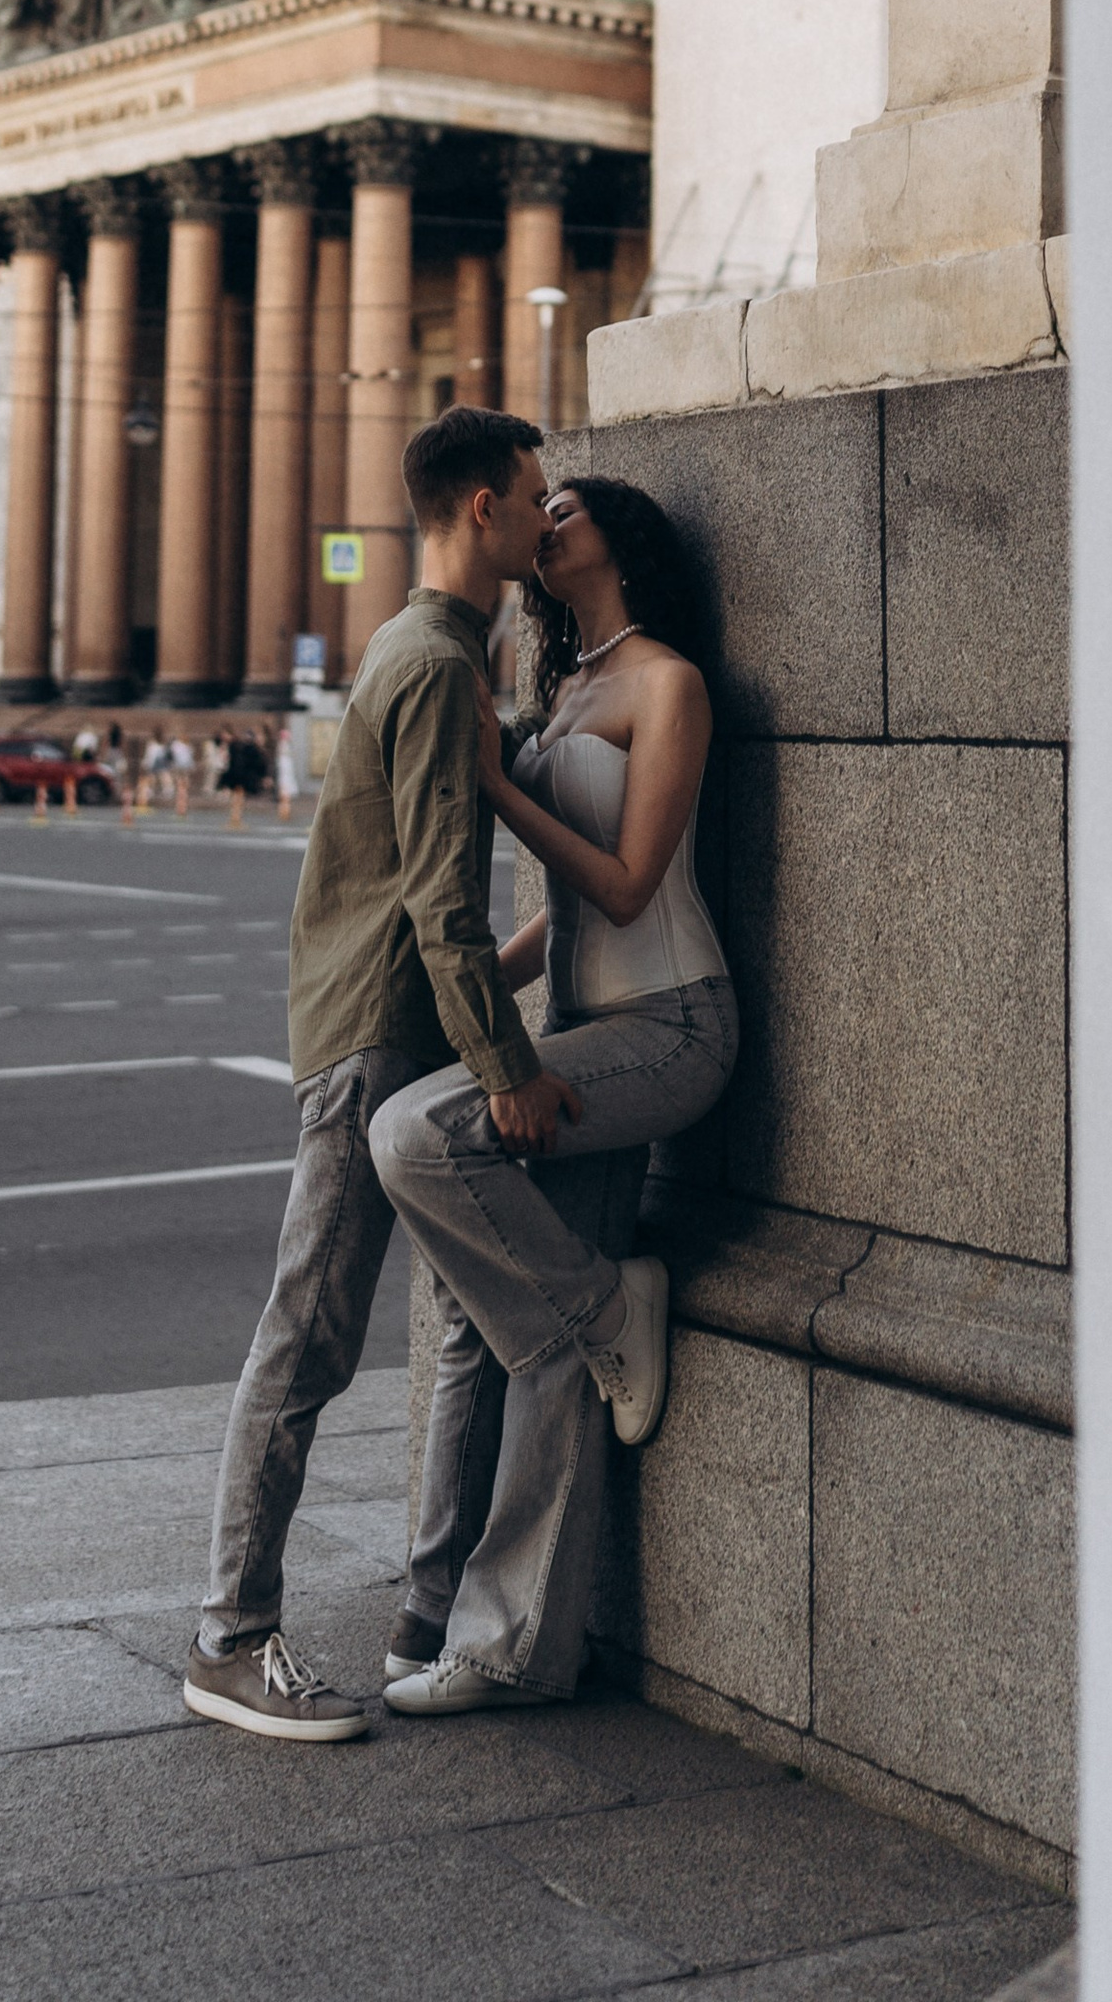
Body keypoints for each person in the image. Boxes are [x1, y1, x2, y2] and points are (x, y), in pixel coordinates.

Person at [184, 405, 552, 1744]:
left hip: (384, 1022)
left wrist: (525, 961)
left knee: (460, 1324)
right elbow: (439, 902)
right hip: (375, 1043)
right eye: (530, 496)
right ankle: (230, 1640)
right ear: (477, 513)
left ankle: (426, 1609)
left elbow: (426, 907)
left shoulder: (419, 645)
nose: (541, 516)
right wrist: (504, 1065)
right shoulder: (439, 666)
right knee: (309, 1337)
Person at [372, 476, 736, 1714]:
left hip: (670, 1026)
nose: (548, 517)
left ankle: (604, 1303)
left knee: (413, 1135)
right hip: (584, 1029)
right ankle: (507, 1647)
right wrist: (478, 1013)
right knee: (536, 1343)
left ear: (617, 540)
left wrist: (498, 785)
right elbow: (556, 913)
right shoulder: (568, 685)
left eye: (567, 504)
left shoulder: (667, 683)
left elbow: (630, 888)